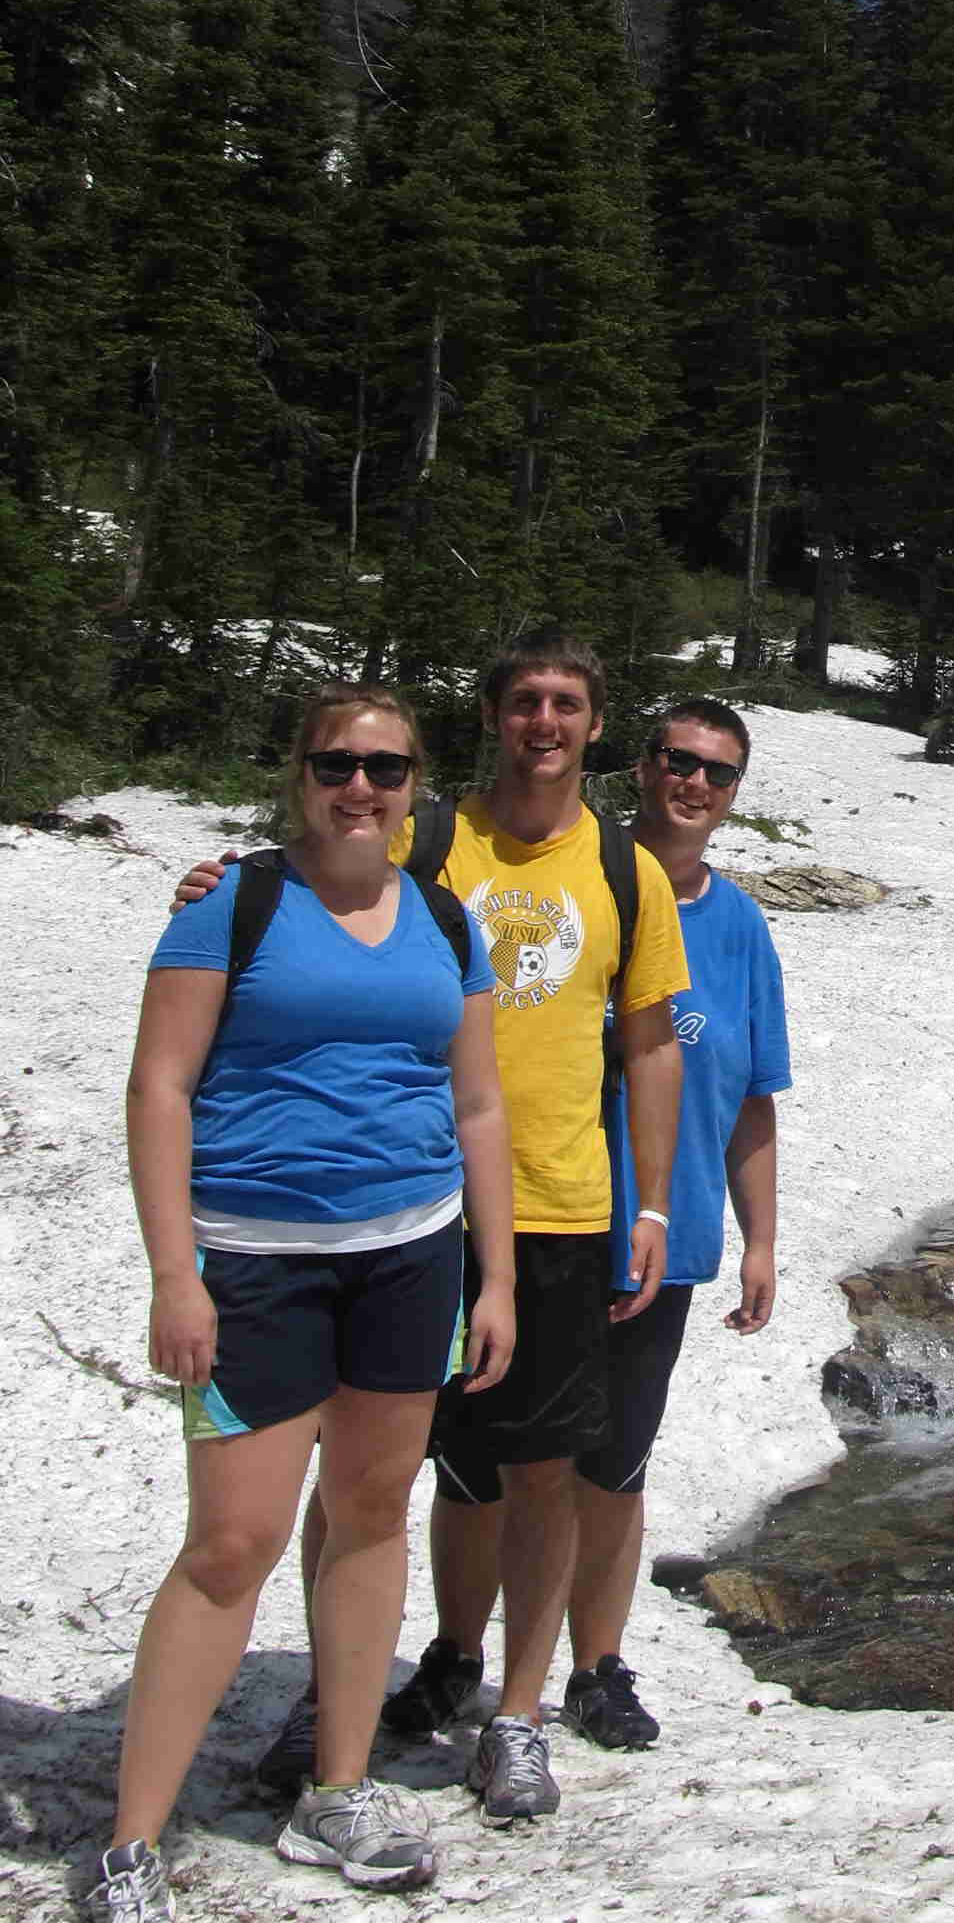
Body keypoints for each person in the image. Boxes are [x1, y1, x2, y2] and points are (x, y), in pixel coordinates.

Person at [176, 627, 688, 1829]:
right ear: (494, 716)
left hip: (558, 1201)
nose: (544, 722)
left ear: (595, 723)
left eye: (566, 702)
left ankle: (515, 1713)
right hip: (401, 1209)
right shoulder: (427, 832)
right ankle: (335, 1700)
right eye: (524, 701)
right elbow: (317, 864)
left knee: (544, 1467)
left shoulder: (628, 871)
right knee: (362, 1475)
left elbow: (650, 1044)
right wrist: (217, 880)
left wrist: (652, 1198)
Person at [88, 686, 515, 1923]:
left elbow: (480, 1103)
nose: (362, 787)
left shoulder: (447, 920)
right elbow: (159, 1086)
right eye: (338, 763)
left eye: (386, 767)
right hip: (256, 1266)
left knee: (375, 1510)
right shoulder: (233, 905)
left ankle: (339, 1788)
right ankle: (128, 1851)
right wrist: (178, 1275)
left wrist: (495, 1276)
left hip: (410, 1255)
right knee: (233, 1543)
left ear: (415, 781)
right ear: (299, 772)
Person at [422, 694, 786, 1753]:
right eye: (678, 760)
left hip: (656, 1236)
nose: (695, 784)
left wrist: (760, 1237)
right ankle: (456, 1655)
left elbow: (751, 1092)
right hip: (530, 1218)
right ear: (640, 763)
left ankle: (596, 1663)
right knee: (479, 1459)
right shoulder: (583, 869)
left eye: (718, 772)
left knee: (612, 1462)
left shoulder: (740, 924)